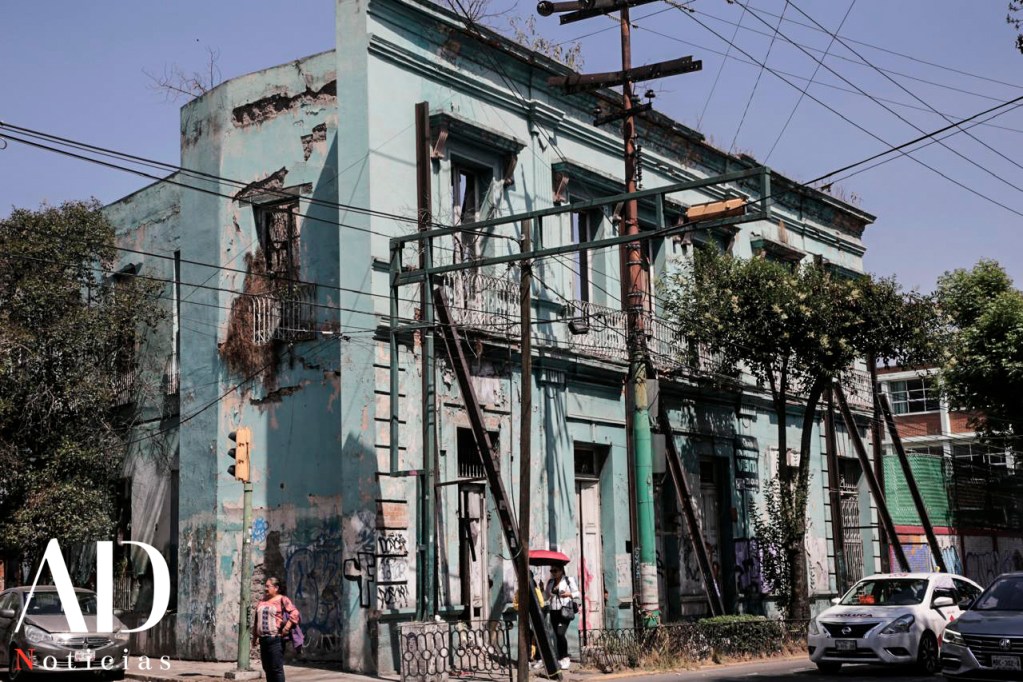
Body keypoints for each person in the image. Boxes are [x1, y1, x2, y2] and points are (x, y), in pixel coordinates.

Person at [252, 577, 301, 682]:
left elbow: (295, 613)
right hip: (263, 640)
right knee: (267, 668)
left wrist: (287, 627)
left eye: (268, 586)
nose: (265, 589)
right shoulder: (262, 601)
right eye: (265, 586)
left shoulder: (282, 599)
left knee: (276, 668)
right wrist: (255, 637)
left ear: (276, 588)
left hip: (275, 640)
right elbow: (256, 621)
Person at [544, 564, 580, 670]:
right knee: (557, 635)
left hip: (564, 611)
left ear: (561, 571)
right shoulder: (550, 582)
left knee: (560, 633)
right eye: (552, 571)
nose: (553, 573)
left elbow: (577, 593)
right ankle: (560, 658)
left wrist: (569, 594)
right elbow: (546, 597)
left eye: (555, 570)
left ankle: (565, 657)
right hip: (553, 611)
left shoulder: (568, 580)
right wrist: (544, 591)